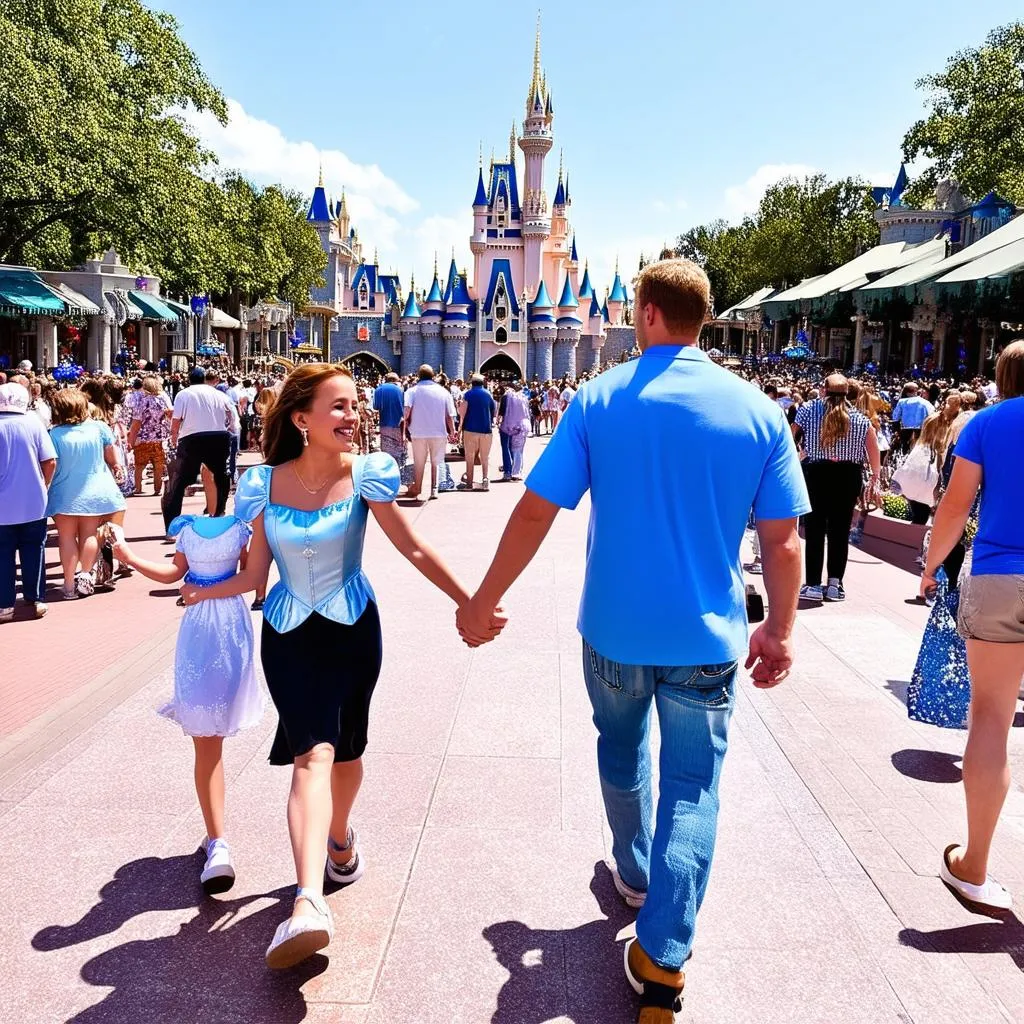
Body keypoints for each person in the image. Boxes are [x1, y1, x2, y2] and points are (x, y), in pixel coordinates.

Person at [456, 259, 808, 1021]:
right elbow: (782, 542)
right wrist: (778, 629)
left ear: (645, 313)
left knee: (620, 749)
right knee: (694, 787)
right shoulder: (756, 411)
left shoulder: (599, 399)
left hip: (613, 632)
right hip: (709, 638)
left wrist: (484, 601)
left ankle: (637, 874)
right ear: (703, 319)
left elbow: (535, 512)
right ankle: (663, 954)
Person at [179, 363, 503, 969]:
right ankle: (307, 901)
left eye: (355, 406)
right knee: (312, 754)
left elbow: (410, 545)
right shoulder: (261, 485)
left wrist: (470, 602)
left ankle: (338, 837)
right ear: (301, 419)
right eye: (339, 406)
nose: (353, 416)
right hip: (288, 636)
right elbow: (253, 576)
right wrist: (203, 590)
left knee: (347, 753)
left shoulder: (368, 476)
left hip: (353, 630)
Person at [921, 340, 1024, 912]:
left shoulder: (987, 423)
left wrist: (932, 567)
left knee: (991, 718)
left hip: (998, 577)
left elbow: (955, 506)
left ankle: (974, 866)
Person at [113, 510, 264, 893]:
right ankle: (217, 837)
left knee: (210, 736)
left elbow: (247, 577)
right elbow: (179, 574)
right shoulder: (213, 527)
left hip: (218, 625)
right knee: (206, 736)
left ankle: (216, 837)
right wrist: (128, 557)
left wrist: (131, 558)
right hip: (211, 625)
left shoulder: (236, 525)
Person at [796, 374, 881, 603]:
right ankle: (835, 584)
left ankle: (813, 584)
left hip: (816, 473)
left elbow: (790, 434)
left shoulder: (809, 410)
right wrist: (875, 478)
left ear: (824, 389)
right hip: (848, 475)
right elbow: (873, 450)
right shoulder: (860, 418)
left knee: (814, 530)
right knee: (839, 531)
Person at [46, 388, 126, 598]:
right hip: (95, 490)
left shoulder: (53, 434)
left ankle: (69, 585)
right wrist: (117, 466)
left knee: (66, 538)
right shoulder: (99, 428)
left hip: (63, 492)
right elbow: (111, 455)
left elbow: (50, 464)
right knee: (89, 535)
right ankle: (85, 574)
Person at [0, 382, 56, 621]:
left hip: (3, 506)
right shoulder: (33, 422)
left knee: (3, 556)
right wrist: (43, 484)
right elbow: (50, 460)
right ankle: (35, 598)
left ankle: (5, 604)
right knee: (34, 550)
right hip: (33, 501)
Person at [163, 367, 237, 532]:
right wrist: (229, 430)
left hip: (192, 438)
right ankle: (220, 512)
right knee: (221, 476)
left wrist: (174, 438)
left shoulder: (184, 394)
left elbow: (176, 420)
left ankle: (172, 525)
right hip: (218, 435)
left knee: (179, 481)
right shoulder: (219, 394)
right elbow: (230, 415)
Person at [403, 364, 455, 502]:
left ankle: (418, 488)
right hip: (439, 432)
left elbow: (406, 412)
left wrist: (404, 430)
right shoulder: (444, 392)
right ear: (433, 376)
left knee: (419, 462)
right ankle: (434, 489)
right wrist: (453, 432)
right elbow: (450, 415)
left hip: (418, 432)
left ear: (418, 376)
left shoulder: (412, 391)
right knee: (436, 461)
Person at [128, 375, 172, 496]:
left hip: (143, 437)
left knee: (139, 465)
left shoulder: (141, 400)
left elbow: (136, 422)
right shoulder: (163, 398)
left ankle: (138, 488)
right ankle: (157, 489)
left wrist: (131, 440)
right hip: (160, 437)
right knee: (158, 466)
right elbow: (170, 414)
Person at [457, 373, 496, 492]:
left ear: (472, 383)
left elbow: (462, 413)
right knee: (485, 457)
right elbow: (493, 411)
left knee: (469, 457)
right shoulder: (489, 394)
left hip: (470, 429)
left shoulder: (467, 394)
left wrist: (459, 428)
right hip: (486, 430)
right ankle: (485, 480)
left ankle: (469, 483)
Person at [372, 372, 406, 469]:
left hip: (385, 423)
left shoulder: (379, 389)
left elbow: (376, 406)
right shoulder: (400, 390)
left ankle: (388, 470)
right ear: (395, 381)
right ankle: (397, 469)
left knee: (386, 451)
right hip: (398, 423)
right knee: (397, 449)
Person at [891, 382, 933, 454]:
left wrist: (896, 431)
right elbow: (932, 416)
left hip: (906, 432)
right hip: (922, 432)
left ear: (906, 392)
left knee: (904, 454)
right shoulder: (926, 403)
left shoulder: (901, 402)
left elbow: (895, 418)